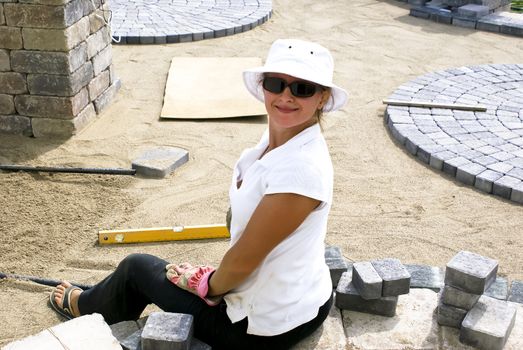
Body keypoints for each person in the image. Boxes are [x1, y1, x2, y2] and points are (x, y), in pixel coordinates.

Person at [49, 38, 348, 350]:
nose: (286, 96)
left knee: (136, 268)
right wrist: (212, 278)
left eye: (302, 88)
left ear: (322, 97)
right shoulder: (284, 139)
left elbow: (243, 262)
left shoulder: (301, 170)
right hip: (301, 299)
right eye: (276, 83)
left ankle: (86, 306)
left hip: (262, 329)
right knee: (172, 273)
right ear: (264, 86)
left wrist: (206, 284)